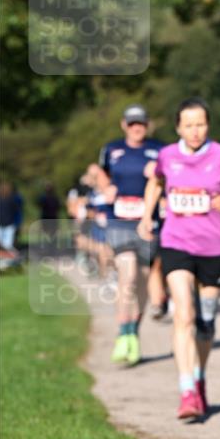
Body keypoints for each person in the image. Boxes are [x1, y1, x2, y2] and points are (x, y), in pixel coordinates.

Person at [137, 97, 220, 420]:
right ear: (178, 127)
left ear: (207, 125)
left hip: (214, 249)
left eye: (200, 124)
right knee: (183, 315)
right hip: (176, 243)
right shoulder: (167, 156)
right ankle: (186, 389)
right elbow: (155, 182)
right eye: (188, 125)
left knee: (205, 325)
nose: (195, 131)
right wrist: (147, 216)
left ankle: (199, 378)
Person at [98, 105, 164, 366]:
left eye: (142, 123)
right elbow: (100, 171)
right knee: (127, 276)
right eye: (132, 123)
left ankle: (133, 333)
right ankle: (122, 334)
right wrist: (107, 186)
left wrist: (158, 176)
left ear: (147, 125)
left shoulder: (159, 150)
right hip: (120, 222)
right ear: (123, 125)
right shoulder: (111, 149)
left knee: (143, 283)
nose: (137, 127)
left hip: (148, 223)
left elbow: (172, 178)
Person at [0, 181, 20, 253]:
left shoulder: (12, 201)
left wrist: (17, 224)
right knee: (2, 244)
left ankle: (12, 256)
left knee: (7, 245)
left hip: (9, 225)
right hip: (0, 224)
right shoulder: (0, 200)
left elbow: (16, 213)